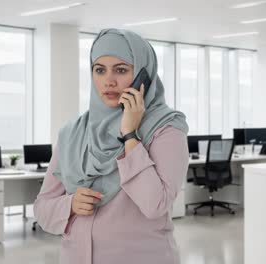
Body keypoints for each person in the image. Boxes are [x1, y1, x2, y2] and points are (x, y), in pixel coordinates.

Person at [33, 28, 189, 264]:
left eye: (121, 70)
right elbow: (42, 209)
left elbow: (155, 204)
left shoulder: (166, 129)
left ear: (143, 75)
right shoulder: (73, 133)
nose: (109, 81)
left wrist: (130, 135)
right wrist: (70, 204)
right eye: (100, 70)